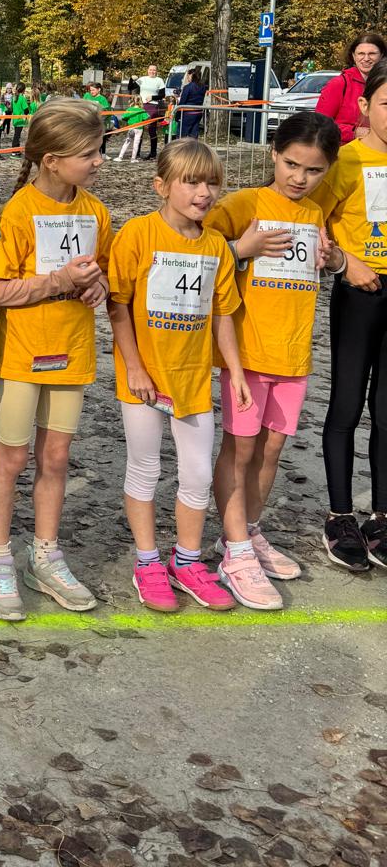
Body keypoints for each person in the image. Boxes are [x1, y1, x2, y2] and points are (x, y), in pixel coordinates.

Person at [205, 112, 343, 607]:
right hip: (247, 353)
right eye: (291, 164)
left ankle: (247, 532)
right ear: (274, 155)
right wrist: (240, 248)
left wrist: (331, 259)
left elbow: (314, 268)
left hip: (294, 353)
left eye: (314, 170)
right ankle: (236, 550)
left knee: (271, 449)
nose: (300, 178)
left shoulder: (316, 213)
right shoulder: (244, 203)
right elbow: (196, 247)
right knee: (240, 449)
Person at [0, 103, 111, 621]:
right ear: (52, 160)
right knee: (12, 458)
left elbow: (103, 273)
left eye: (99, 150)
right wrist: (59, 281)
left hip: (72, 353)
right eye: (89, 153)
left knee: (56, 458)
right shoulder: (17, 212)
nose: (98, 161)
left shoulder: (96, 212)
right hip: (21, 357)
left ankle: (45, 555)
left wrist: (98, 286)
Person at [106, 139, 248, 613]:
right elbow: (118, 304)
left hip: (193, 381)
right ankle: (147, 562)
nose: (203, 192)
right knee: (145, 468)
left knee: (197, 473)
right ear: (161, 186)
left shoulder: (216, 246)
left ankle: (187, 561)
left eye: (211, 183)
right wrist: (134, 366)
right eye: (191, 182)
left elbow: (222, 313)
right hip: (143, 381)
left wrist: (236, 370)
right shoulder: (138, 234)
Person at [312, 58, 387, 568]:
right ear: (364, 105)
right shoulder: (347, 162)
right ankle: (340, 515)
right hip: (360, 292)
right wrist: (344, 262)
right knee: (346, 404)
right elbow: (309, 218)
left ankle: (381, 515)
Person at [315, 32, 386, 144]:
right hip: (346, 150)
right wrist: (354, 132)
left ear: (382, 55)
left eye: (372, 53)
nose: (366, 58)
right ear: (353, 56)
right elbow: (319, 123)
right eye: (361, 53)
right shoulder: (339, 84)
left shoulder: (384, 84)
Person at [176, 67, 206, 140]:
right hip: (198, 112)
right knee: (193, 135)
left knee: (182, 135)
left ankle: (181, 147)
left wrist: (177, 115)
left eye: (187, 75)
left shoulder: (188, 87)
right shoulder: (203, 87)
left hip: (188, 113)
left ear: (191, 75)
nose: (187, 78)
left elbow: (182, 102)